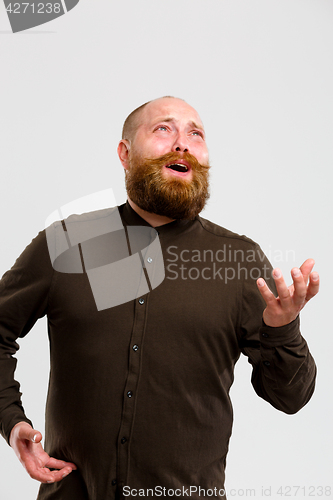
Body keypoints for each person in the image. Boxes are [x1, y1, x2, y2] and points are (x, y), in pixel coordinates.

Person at [0, 96, 319, 500]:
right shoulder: (67, 243)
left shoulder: (237, 260)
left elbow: (291, 397)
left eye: (195, 133)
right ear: (125, 152)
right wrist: (12, 423)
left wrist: (283, 330)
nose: (182, 142)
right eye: (163, 129)